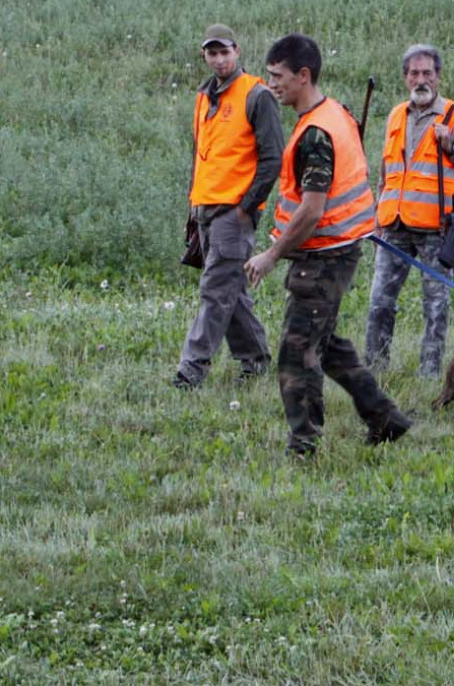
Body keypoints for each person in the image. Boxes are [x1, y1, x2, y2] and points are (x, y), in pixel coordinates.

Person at [244, 34, 411, 453]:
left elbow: (312, 210)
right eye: (268, 76)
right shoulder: (334, 112)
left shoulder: (317, 133)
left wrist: (271, 253)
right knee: (326, 343)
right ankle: (385, 418)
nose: (271, 85)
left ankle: (305, 445)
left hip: (322, 258)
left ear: (304, 75)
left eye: (278, 76)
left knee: (296, 355)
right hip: (338, 249)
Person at [364, 44, 454, 379]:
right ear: (406, 77)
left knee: (435, 307)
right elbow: (386, 171)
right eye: (414, 73)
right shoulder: (395, 115)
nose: (421, 79)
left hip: (436, 228)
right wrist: (378, 216)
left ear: (438, 76)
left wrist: (452, 148)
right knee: (380, 302)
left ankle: (430, 375)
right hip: (392, 225)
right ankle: (374, 369)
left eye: (427, 73)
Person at [173, 26, 281, 390]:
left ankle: (190, 371)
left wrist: (246, 207)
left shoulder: (257, 94)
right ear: (204, 55)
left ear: (237, 51)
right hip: (205, 208)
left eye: (224, 52)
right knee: (230, 288)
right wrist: (193, 206)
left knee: (215, 290)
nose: (219, 59)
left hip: (232, 212)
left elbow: (273, 159)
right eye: (212, 53)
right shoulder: (204, 97)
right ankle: (256, 360)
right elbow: (200, 156)